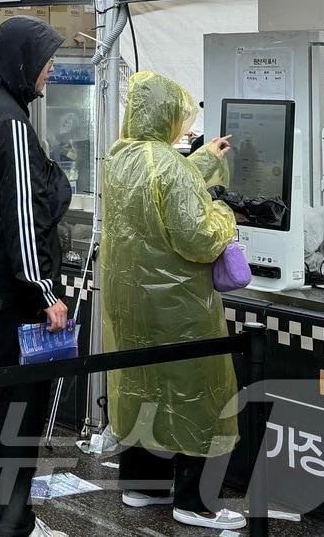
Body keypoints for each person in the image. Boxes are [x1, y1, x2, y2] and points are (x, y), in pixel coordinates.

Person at [103, 71, 244, 531]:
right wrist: (224, 214)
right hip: (180, 307)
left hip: (132, 302)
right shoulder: (167, 164)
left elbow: (161, 187)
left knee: (142, 386)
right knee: (195, 393)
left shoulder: (120, 157)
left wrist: (201, 160)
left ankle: (142, 485)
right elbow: (199, 236)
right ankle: (195, 501)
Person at [0, 15, 72, 537]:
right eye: (45, 59)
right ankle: (13, 518)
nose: (50, 69)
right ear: (23, 61)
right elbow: (21, 215)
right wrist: (46, 291)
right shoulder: (12, 123)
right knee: (19, 407)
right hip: (14, 295)